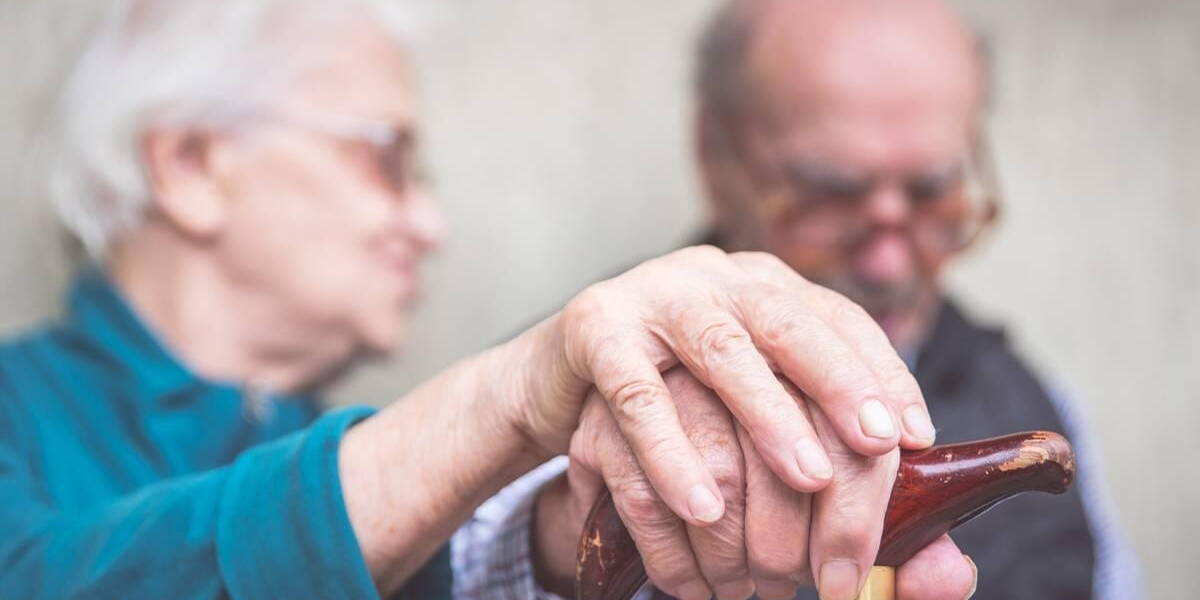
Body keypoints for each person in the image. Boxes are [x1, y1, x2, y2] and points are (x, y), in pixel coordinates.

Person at [0, 1, 976, 599]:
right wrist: (506, 393)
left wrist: (611, 516)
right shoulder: (18, 415)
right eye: (386, 160)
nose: (429, 224)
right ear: (190, 163)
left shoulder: (346, 443)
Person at [688, 0, 1140, 598]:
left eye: (931, 192)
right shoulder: (597, 413)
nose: (888, 264)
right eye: (830, 195)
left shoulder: (1037, 403)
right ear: (717, 162)